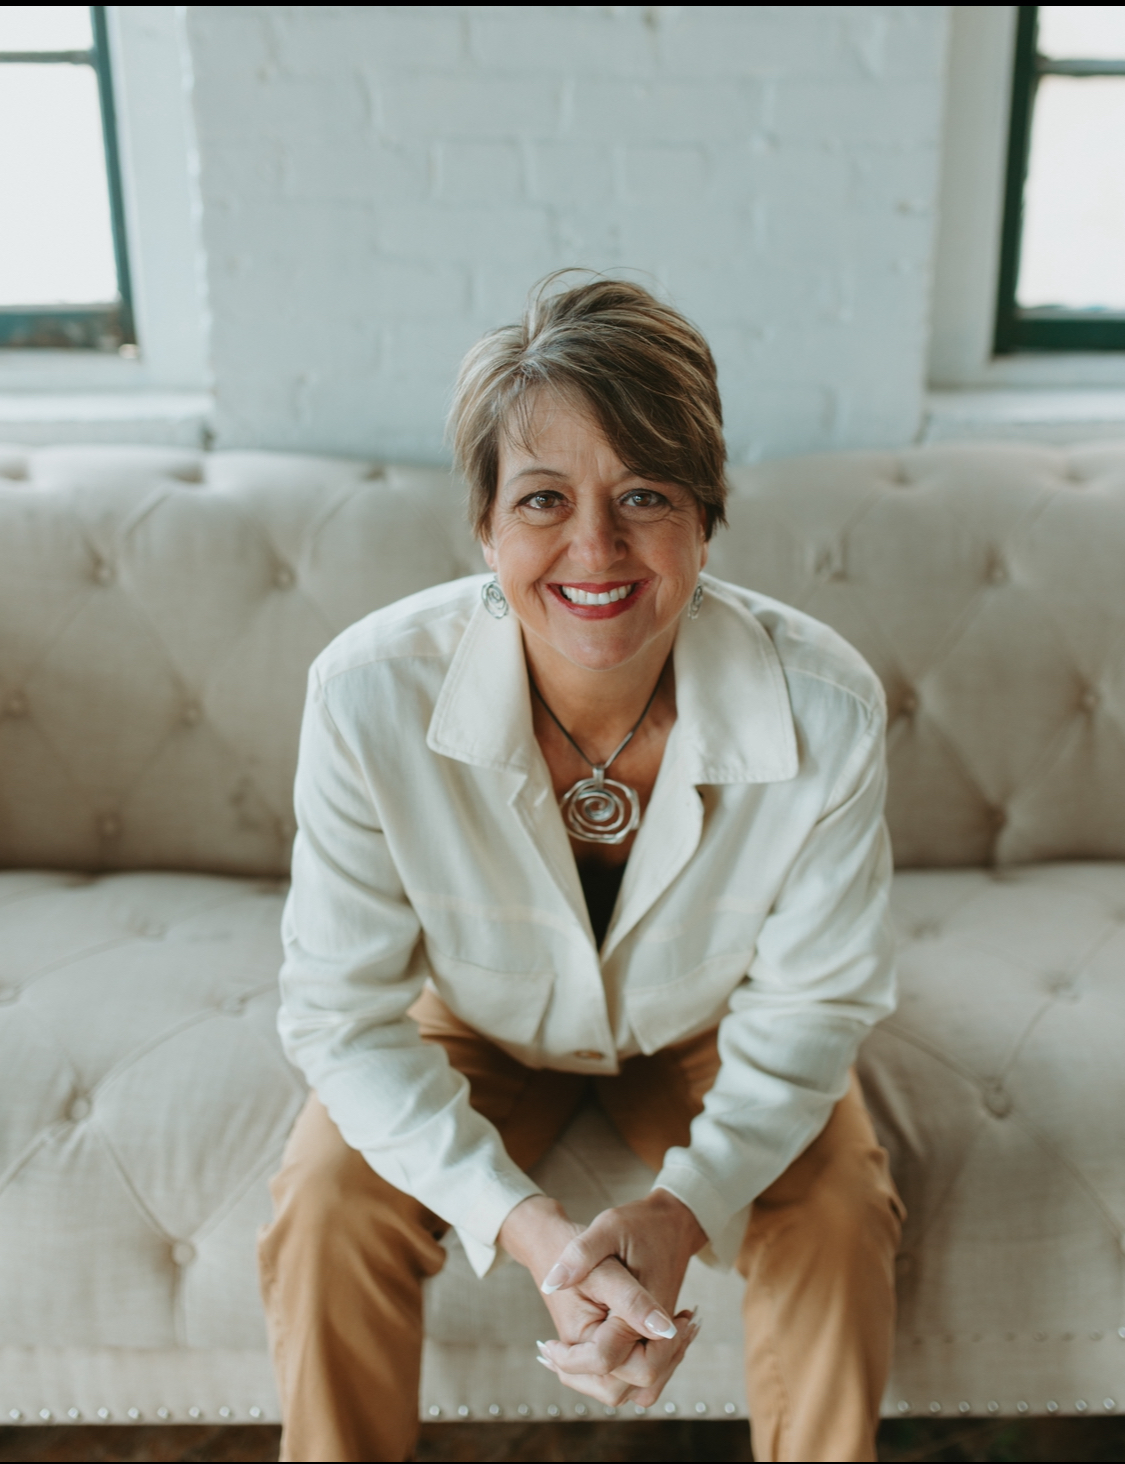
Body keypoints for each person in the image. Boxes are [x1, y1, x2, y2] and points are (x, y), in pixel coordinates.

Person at [259, 275, 904, 1463]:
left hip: (715, 1024)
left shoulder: (830, 707)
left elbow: (814, 1007)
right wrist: (537, 1236)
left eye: (645, 495)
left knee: (841, 1209)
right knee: (327, 1204)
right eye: (544, 499)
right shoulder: (365, 697)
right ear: (486, 526)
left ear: (706, 518)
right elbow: (340, 1020)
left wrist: (680, 1213)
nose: (595, 547)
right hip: (474, 1018)